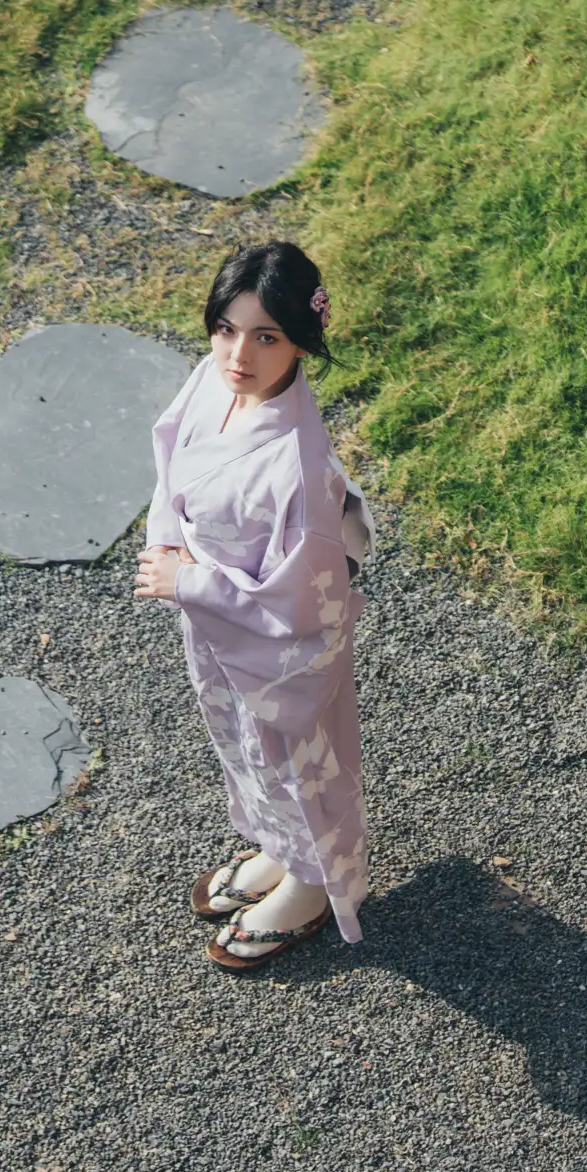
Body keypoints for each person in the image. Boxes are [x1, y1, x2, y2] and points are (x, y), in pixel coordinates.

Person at [137, 240, 373, 971]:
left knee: (296, 756)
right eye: (226, 327)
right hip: (219, 626)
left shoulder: (295, 468)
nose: (239, 354)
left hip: (272, 644)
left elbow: (302, 611)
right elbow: (169, 451)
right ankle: (279, 848)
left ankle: (314, 880)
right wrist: (170, 546)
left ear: (301, 341)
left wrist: (191, 583)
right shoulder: (215, 384)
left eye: (267, 336)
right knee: (242, 747)